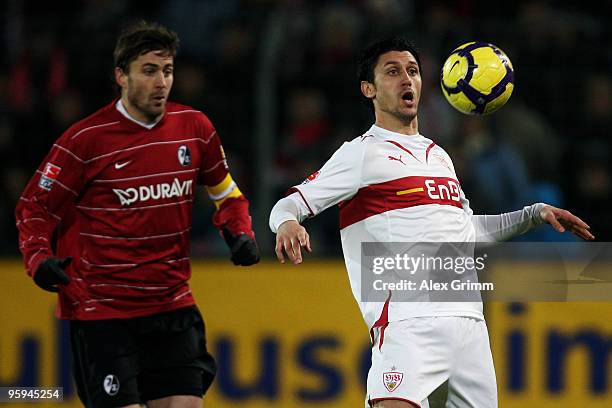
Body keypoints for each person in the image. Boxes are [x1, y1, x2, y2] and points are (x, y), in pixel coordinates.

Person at [269, 37, 594, 408]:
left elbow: (466, 231)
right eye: (392, 72)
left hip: (469, 323)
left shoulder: (439, 156)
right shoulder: (361, 153)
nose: (406, 80)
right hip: (409, 322)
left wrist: (532, 214)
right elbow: (287, 204)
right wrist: (287, 223)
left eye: (412, 71)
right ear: (368, 89)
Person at [16, 21, 260, 408]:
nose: (161, 82)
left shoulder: (194, 128)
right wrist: (38, 259)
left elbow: (227, 194)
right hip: (103, 312)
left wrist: (240, 232)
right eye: (148, 71)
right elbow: (34, 207)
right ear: (121, 76)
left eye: (167, 71)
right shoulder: (86, 140)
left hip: (172, 304)